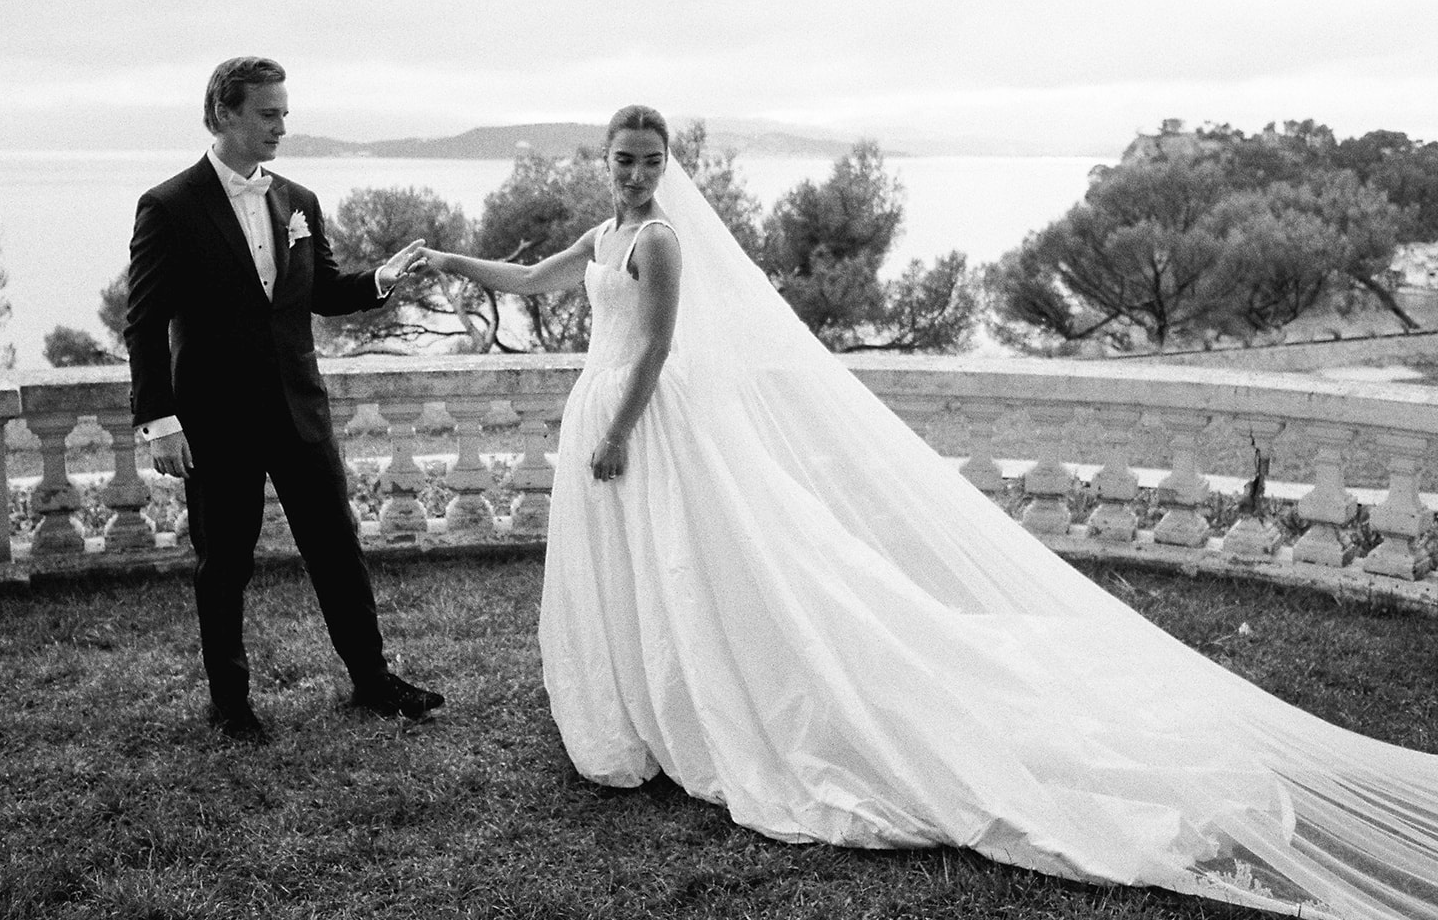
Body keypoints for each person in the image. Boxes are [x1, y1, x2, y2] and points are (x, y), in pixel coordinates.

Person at [422, 105, 1438, 918]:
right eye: (621, 159)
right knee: (640, 567)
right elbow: (524, 278)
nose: (634, 173)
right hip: (605, 408)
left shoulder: (660, 241)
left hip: (643, 419)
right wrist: (446, 265)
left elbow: (650, 349)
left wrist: (614, 434)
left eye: (648, 160)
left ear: (666, 165)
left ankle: (716, 698)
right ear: (601, 163)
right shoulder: (602, 231)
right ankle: (645, 700)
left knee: (697, 563)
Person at [125, 56, 444, 742]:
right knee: (225, 564)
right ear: (224, 114)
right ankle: (231, 704)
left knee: (337, 548)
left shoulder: (298, 199)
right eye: (269, 114)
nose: (281, 127)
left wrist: (381, 279)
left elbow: (322, 292)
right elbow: (143, 322)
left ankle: (372, 678)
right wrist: (159, 421)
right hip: (217, 420)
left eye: (284, 114)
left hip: (300, 412)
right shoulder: (169, 207)